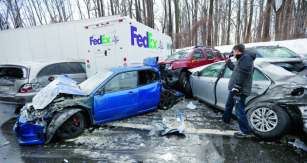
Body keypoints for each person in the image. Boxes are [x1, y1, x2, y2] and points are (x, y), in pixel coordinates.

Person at [221, 43, 256, 138]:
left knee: (239, 111)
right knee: (228, 105)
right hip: (234, 89)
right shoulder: (241, 58)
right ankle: (225, 121)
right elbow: (235, 69)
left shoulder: (246, 58)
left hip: (240, 90)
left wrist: (237, 86)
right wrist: (228, 61)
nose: (232, 53)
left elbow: (244, 73)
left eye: (233, 51)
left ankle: (246, 132)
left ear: (237, 51)